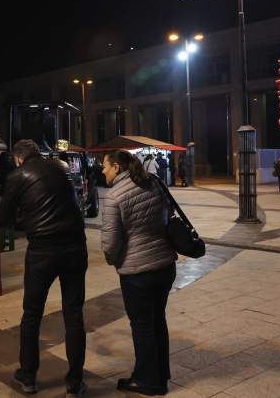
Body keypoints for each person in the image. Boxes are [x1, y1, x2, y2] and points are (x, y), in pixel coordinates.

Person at [0, 139, 88, 398]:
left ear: (18, 159)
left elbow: (3, 221)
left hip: (42, 252)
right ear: (38, 153)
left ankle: (28, 378)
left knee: (32, 315)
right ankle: (74, 382)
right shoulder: (61, 166)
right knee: (74, 316)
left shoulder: (17, 175)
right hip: (75, 247)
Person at [100, 149, 177, 396]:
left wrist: (113, 260)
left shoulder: (114, 197)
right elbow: (170, 213)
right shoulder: (154, 182)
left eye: (105, 166)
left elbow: (111, 244)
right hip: (165, 265)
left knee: (142, 325)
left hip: (137, 271)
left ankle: (147, 380)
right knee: (158, 320)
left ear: (117, 168)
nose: (102, 170)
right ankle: (161, 375)